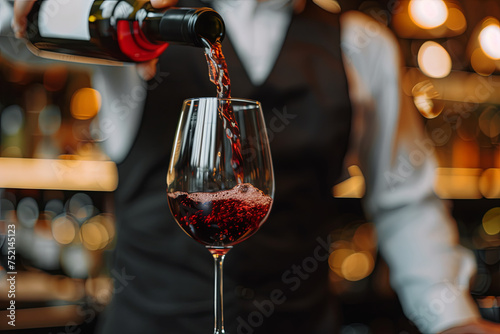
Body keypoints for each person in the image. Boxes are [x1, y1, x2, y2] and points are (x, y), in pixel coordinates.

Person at [3, 0, 500, 333]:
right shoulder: (142, 22)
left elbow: (404, 204)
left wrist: (452, 317)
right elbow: (17, 38)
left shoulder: (362, 45)